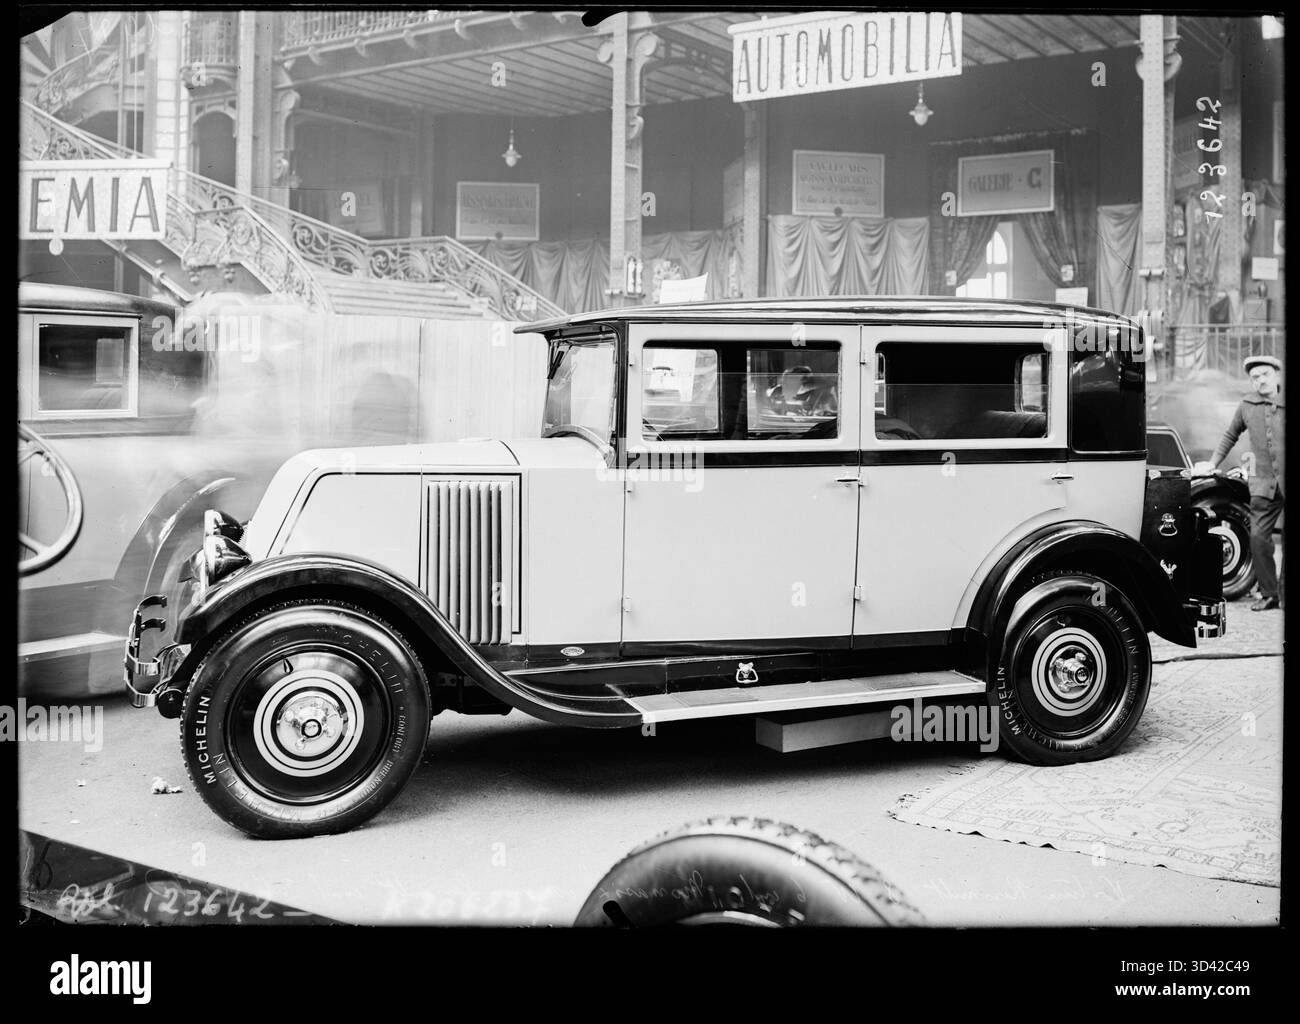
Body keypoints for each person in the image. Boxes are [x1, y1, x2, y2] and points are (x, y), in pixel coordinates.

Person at [1194, 355, 1285, 610]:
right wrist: (1213, 462)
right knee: (1258, 538)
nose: (1260, 381)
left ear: (1277, 375)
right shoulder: (1247, 405)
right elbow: (1230, 435)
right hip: (1263, 484)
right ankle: (1270, 594)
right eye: (1255, 377)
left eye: (1265, 374)